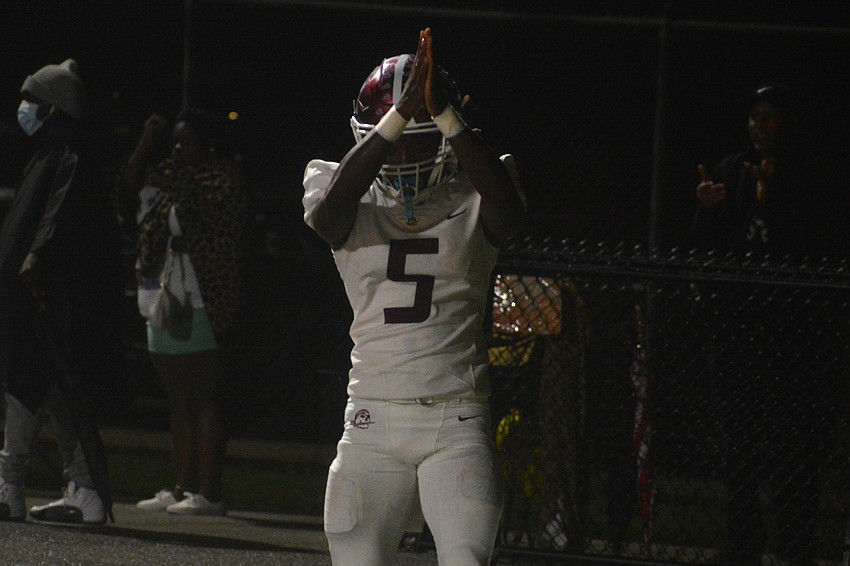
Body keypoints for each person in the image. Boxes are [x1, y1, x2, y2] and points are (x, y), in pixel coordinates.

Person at [302, 28, 525, 565]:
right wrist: (400, 116)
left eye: (422, 137)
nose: (404, 153)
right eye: (394, 135)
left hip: (457, 422)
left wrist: (445, 116)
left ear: (448, 134)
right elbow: (328, 218)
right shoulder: (340, 192)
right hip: (370, 423)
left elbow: (511, 216)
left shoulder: (479, 191)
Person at [691, 82, 843, 565]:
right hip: (739, 333)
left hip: (796, 338)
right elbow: (707, 250)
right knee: (740, 448)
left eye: (769, 115)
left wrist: (774, 197)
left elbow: (820, 247)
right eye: (754, 115)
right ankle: (743, 545)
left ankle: (795, 545)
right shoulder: (731, 169)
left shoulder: (811, 172)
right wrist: (707, 211)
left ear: (788, 122)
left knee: (795, 449)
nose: (759, 124)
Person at [0, 59, 124, 524]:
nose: (24, 109)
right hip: (42, 295)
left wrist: (34, 263)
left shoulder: (69, 153)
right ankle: (13, 483)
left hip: (51, 296)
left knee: (53, 386)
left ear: (53, 108)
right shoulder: (57, 151)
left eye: (33, 101)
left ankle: (82, 488)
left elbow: (51, 220)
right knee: (32, 384)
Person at [116, 108, 246, 516]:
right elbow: (127, 192)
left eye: (185, 142)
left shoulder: (220, 178)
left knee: (205, 396)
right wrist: (145, 144)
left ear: (206, 145)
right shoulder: (164, 177)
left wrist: (181, 177)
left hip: (204, 300)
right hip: (163, 300)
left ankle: (210, 493)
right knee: (179, 399)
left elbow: (200, 217)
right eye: (173, 142)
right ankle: (182, 486)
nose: (177, 150)